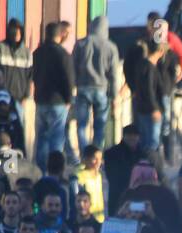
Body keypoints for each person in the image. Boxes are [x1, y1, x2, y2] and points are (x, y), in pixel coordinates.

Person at [72, 13, 120, 152]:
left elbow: (73, 67)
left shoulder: (81, 43)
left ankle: (84, 154)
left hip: (82, 88)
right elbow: (114, 75)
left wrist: (74, 86)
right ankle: (96, 156)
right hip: (101, 90)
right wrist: (115, 96)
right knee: (99, 126)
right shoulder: (111, 47)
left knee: (81, 125)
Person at [32, 22, 77, 168]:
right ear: (60, 35)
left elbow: (34, 75)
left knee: (42, 138)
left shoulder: (37, 53)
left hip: (40, 100)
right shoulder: (63, 54)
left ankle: (41, 170)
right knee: (57, 139)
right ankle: (54, 170)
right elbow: (68, 78)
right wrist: (69, 99)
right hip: (58, 101)